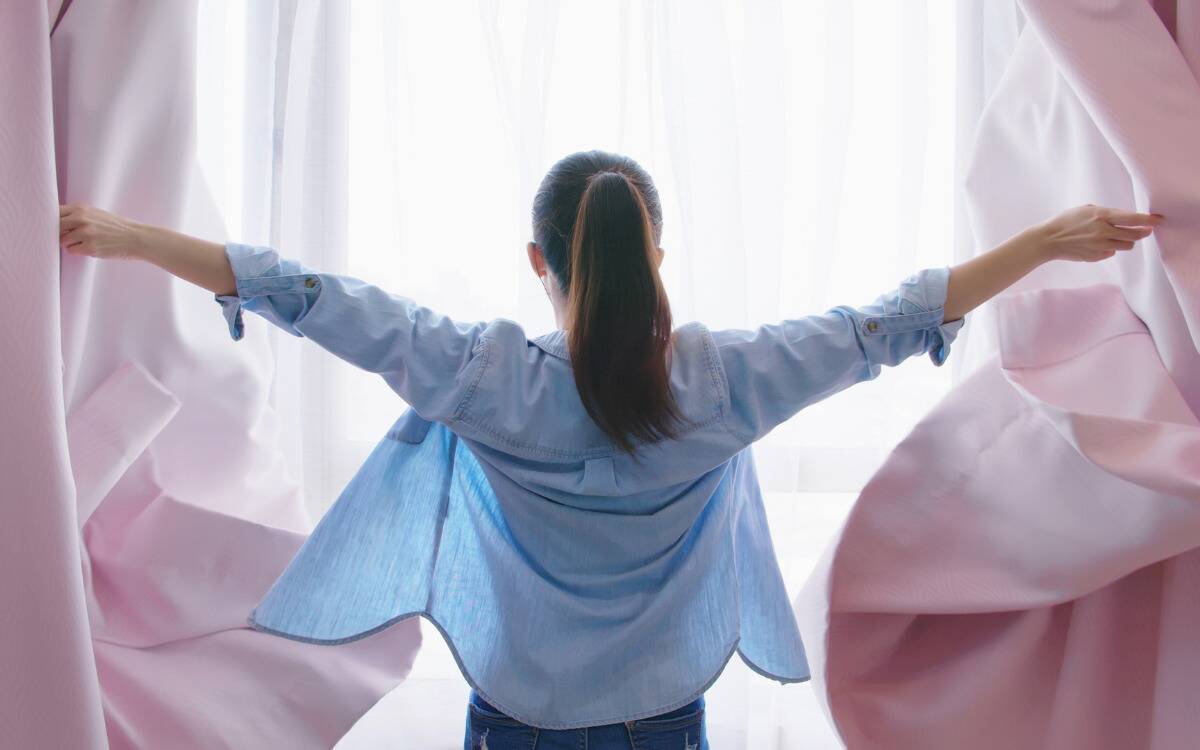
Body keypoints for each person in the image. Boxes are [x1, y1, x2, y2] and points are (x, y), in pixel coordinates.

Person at [58, 149, 1162, 750]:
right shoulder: (724, 382)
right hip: (662, 728)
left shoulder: (481, 377)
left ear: (538, 255)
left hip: (517, 729)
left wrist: (130, 237)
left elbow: (317, 299)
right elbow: (887, 324)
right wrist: (1042, 241)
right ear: (659, 252)